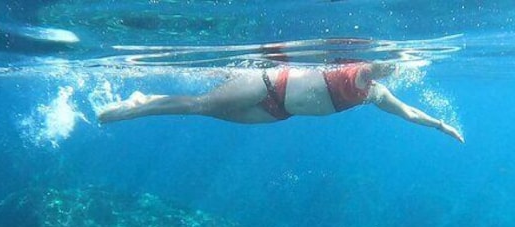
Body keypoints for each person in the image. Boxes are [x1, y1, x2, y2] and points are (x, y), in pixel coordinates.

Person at [97, 62, 465, 142]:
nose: (382, 78)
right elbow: (369, 68)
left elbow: (408, 111)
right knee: (203, 105)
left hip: (278, 111)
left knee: (208, 112)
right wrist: (381, 65)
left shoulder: (376, 94)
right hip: (269, 83)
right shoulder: (358, 72)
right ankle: (134, 109)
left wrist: (440, 125)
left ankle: (147, 98)